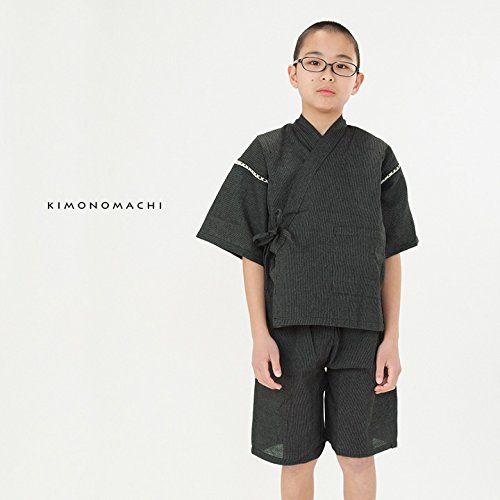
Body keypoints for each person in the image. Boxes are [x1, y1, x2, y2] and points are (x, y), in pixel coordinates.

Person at [196, 20, 419, 500]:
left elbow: (392, 252)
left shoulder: (377, 156)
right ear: (293, 73)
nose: (327, 75)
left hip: (362, 331)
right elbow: (251, 252)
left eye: (342, 66)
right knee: (295, 458)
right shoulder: (267, 153)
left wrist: (392, 339)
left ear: (358, 81)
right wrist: (259, 335)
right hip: (288, 330)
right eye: (315, 63)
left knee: (358, 457)